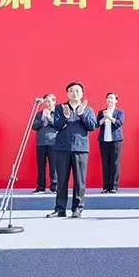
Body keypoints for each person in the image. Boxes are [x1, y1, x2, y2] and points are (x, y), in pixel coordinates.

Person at [49, 82, 97, 218]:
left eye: (77, 91)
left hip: (80, 149)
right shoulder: (60, 108)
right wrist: (65, 117)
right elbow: (56, 126)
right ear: (67, 93)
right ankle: (60, 209)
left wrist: (82, 115)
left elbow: (92, 126)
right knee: (62, 180)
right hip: (62, 148)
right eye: (71, 91)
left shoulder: (88, 109)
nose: (74, 93)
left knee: (80, 181)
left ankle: (77, 208)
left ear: (82, 94)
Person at [97, 92, 125, 193]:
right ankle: (106, 187)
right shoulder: (101, 112)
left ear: (116, 101)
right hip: (104, 141)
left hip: (116, 141)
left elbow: (119, 123)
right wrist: (104, 117)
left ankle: (114, 186)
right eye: (108, 98)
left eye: (112, 98)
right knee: (105, 163)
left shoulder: (120, 112)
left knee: (115, 163)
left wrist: (110, 117)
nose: (109, 100)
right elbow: (97, 124)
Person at [32, 94, 58, 193]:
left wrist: (49, 118)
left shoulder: (58, 112)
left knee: (54, 166)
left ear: (54, 101)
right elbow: (34, 126)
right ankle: (41, 187)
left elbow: (58, 125)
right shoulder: (40, 113)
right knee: (41, 165)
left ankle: (55, 187)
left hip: (53, 142)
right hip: (41, 143)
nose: (47, 103)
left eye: (49, 101)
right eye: (46, 101)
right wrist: (43, 118)